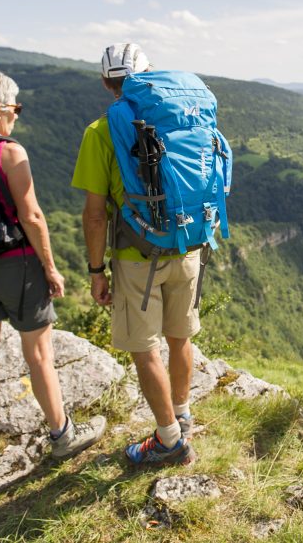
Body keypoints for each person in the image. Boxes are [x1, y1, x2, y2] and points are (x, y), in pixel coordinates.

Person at [0, 68, 106, 472]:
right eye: (14, 108)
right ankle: (62, 436)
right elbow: (33, 216)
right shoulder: (10, 152)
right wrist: (51, 268)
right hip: (16, 266)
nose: (17, 116)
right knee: (39, 354)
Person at [71, 43, 199, 468]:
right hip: (187, 245)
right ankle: (181, 414)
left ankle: (168, 440)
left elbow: (94, 215)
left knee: (144, 348)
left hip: (136, 255)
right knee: (180, 337)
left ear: (108, 84)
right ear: (151, 74)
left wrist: (95, 270)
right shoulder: (180, 115)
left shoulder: (100, 131)